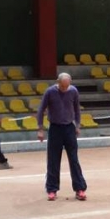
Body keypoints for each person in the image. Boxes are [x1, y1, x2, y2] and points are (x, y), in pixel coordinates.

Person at [37, 73, 87, 201]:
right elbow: (41, 110)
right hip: (55, 128)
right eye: (63, 86)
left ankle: (80, 188)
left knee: (74, 159)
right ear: (58, 82)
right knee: (53, 160)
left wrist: (77, 125)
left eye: (67, 86)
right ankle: (52, 189)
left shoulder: (73, 91)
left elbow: (77, 109)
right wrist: (40, 129)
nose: (65, 89)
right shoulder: (50, 92)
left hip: (69, 128)